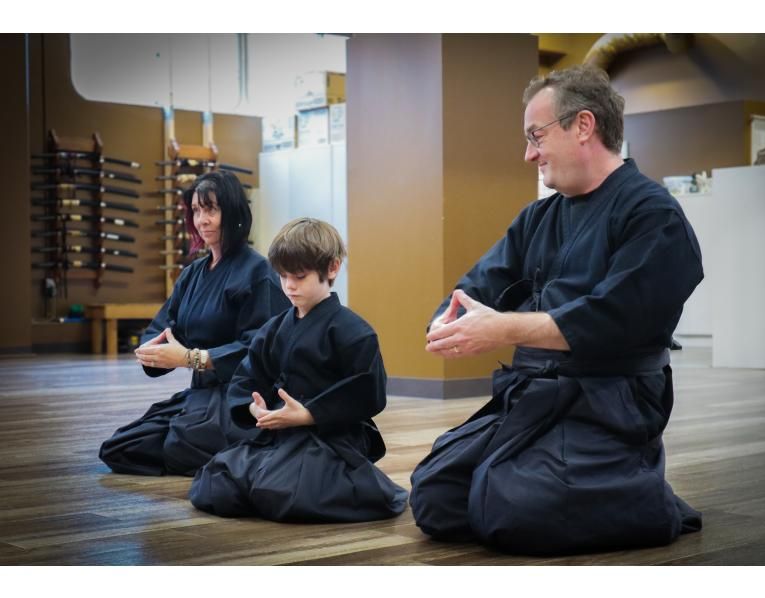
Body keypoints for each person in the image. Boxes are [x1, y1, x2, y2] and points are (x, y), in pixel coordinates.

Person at [410, 65, 704, 555]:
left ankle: (646, 493)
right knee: (437, 494)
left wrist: (502, 329)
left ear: (583, 126)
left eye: (536, 135)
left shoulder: (653, 215)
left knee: (513, 508)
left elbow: (611, 316)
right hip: (536, 394)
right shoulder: (539, 216)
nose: (529, 154)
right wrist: (449, 320)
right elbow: (482, 283)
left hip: (609, 399)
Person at [189, 217, 408, 522]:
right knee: (213, 484)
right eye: (283, 276)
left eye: (300, 276)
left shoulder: (355, 332)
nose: (289, 286)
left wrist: (309, 414)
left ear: (332, 268)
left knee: (285, 492)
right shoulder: (273, 329)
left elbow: (366, 391)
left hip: (329, 437)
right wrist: (256, 409)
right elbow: (247, 377)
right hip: (278, 434)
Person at [99, 170, 291, 476]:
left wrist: (192, 358)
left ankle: (258, 447)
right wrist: (151, 351)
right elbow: (161, 328)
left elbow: (260, 349)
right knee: (121, 447)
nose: (202, 220)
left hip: (244, 397)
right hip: (202, 394)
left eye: (211, 209)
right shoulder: (192, 275)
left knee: (180, 444)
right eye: (197, 210)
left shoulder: (258, 273)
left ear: (232, 212)